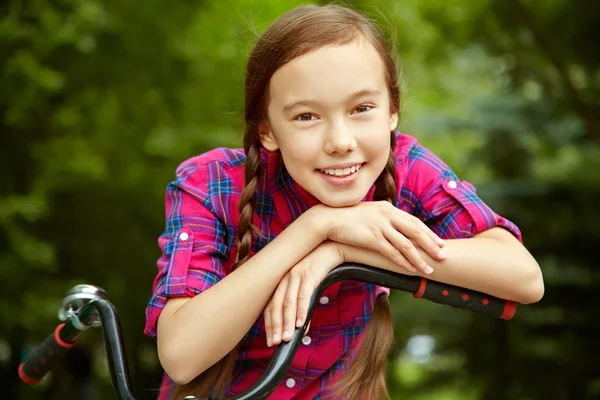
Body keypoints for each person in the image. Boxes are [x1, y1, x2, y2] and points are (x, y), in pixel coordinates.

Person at [144, 4, 544, 400]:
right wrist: (316, 227)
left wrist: (343, 251)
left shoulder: (407, 167)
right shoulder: (211, 183)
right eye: (306, 117)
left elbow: (524, 278)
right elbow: (181, 356)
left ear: (392, 112)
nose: (340, 142)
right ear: (267, 130)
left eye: (362, 109)